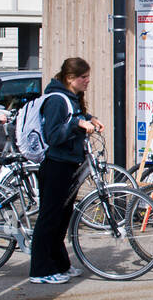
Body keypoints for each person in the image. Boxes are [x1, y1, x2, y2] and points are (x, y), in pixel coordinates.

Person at [28, 58, 102, 285]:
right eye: (83, 77)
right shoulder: (57, 100)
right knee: (49, 217)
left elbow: (72, 119)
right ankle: (40, 270)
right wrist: (76, 125)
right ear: (70, 79)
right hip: (56, 164)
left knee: (62, 217)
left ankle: (60, 264)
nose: (87, 81)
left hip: (68, 163)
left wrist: (88, 119)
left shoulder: (71, 98)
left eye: (88, 76)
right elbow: (53, 136)